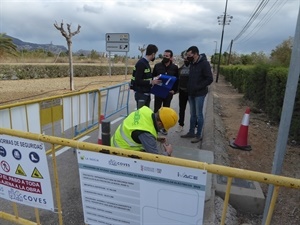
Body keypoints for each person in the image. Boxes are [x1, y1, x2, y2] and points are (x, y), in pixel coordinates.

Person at [111, 106, 178, 156]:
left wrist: (156, 138)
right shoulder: (147, 134)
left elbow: (136, 130)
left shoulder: (145, 110)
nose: (161, 129)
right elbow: (155, 159)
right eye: (163, 128)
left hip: (115, 143)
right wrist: (168, 152)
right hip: (121, 154)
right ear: (159, 123)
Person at [181, 46, 213, 143]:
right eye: (187, 55)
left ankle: (198, 135)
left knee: (199, 115)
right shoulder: (192, 64)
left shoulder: (204, 64)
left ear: (195, 54)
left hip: (200, 94)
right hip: (191, 93)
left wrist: (198, 86)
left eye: (189, 55)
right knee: (192, 114)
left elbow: (209, 79)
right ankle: (191, 132)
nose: (188, 57)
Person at [130, 44, 162, 109]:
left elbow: (146, 77)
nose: (154, 56)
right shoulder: (141, 63)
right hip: (141, 94)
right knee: (141, 116)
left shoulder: (146, 63)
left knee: (145, 115)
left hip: (146, 93)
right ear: (153, 54)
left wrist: (155, 78)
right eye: (155, 54)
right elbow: (138, 80)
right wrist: (152, 82)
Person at [175, 50, 190, 132]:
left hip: (191, 92)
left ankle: (194, 126)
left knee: (193, 111)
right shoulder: (180, 68)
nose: (186, 59)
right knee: (182, 109)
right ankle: (181, 125)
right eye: (185, 58)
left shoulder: (193, 68)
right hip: (182, 92)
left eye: (187, 57)